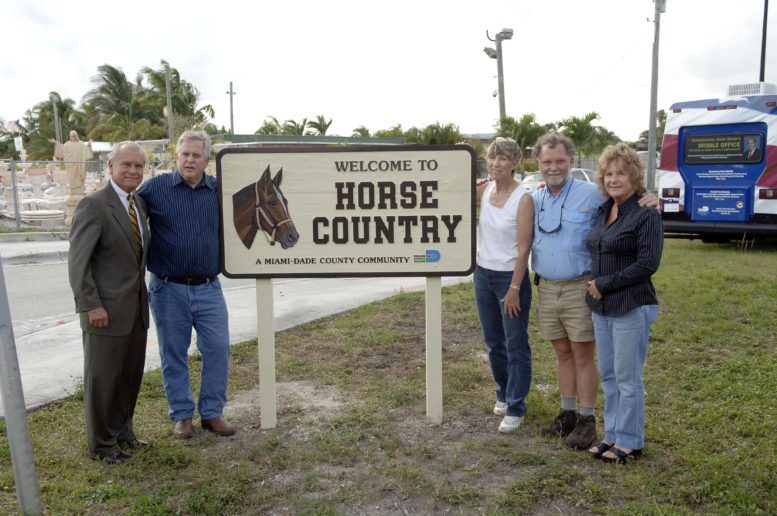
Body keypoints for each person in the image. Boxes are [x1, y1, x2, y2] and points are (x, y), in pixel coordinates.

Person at [530, 133, 657, 451]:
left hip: (589, 289)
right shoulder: (535, 197)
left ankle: (598, 425)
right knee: (573, 358)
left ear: (571, 161)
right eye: (547, 162)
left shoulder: (594, 195)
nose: (553, 167)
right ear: (538, 165)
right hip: (556, 289)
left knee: (593, 360)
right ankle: (578, 419)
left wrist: (652, 198)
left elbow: (631, 207)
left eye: (560, 160)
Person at [136, 130, 235, 439]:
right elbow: (126, 210)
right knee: (173, 353)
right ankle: (182, 415)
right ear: (176, 157)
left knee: (217, 348)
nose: (190, 159)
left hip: (209, 286)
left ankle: (212, 413)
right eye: (185, 154)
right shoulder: (155, 188)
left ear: (207, 160)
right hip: (168, 289)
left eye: (196, 155)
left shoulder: (218, 191)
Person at [68, 141, 149, 463]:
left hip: (136, 311)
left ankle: (122, 431)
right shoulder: (94, 205)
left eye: (138, 166)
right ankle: (101, 445)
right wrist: (91, 305)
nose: (132, 171)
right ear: (110, 167)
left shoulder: (138, 204)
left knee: (130, 376)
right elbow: (79, 263)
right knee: (103, 380)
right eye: (126, 164)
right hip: (105, 312)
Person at [585, 143, 663, 463]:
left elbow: (648, 263)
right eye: (609, 173)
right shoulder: (604, 211)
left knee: (628, 378)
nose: (614, 179)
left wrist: (604, 284)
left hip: (630, 305)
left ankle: (631, 441)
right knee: (609, 375)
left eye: (621, 173)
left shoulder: (646, 213)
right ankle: (613, 434)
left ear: (634, 177)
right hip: (601, 308)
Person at [474, 137, 534, 433]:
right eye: (492, 157)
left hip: (510, 279)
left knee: (515, 344)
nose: (496, 163)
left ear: (514, 163)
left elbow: (524, 249)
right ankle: (502, 391)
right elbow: (453, 190)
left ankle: (515, 407)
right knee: (493, 341)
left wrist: (514, 288)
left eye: (503, 158)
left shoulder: (523, 198)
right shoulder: (485, 190)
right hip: (482, 275)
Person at [52, 130, 93, 195]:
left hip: (79, 165)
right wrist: (56, 143)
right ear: (70, 136)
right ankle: (73, 191)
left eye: (74, 136)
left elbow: (86, 149)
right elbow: (61, 150)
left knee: (80, 178)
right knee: (72, 179)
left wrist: (89, 145)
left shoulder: (81, 144)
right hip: (70, 166)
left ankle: (80, 191)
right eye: (72, 136)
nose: (73, 137)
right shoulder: (67, 145)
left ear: (76, 136)